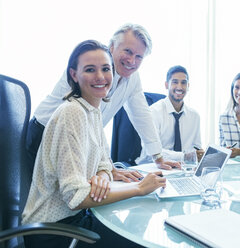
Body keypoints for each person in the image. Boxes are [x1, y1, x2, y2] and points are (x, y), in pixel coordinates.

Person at [22, 40, 166, 248]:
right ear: (74, 75)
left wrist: (102, 176)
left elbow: (104, 163)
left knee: (138, 232)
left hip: (77, 220)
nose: (100, 77)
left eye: (106, 69)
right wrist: (139, 188)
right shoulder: (72, 113)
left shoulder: (93, 110)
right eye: (90, 70)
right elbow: (76, 196)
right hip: (55, 232)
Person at [26, 23, 180, 179]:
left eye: (139, 56)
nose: (132, 61)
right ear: (112, 47)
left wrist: (158, 156)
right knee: (56, 196)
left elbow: (141, 115)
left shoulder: (132, 78)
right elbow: (88, 120)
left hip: (77, 141)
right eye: (128, 51)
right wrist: (109, 167)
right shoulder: (90, 71)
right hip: (46, 134)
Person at [136, 65, 204, 163]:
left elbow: (197, 148)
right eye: (175, 82)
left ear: (188, 86)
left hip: (183, 168)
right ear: (166, 85)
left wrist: (200, 154)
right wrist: (184, 156)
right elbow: (150, 150)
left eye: (183, 83)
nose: (180, 87)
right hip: (152, 166)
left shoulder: (195, 116)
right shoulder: (153, 112)